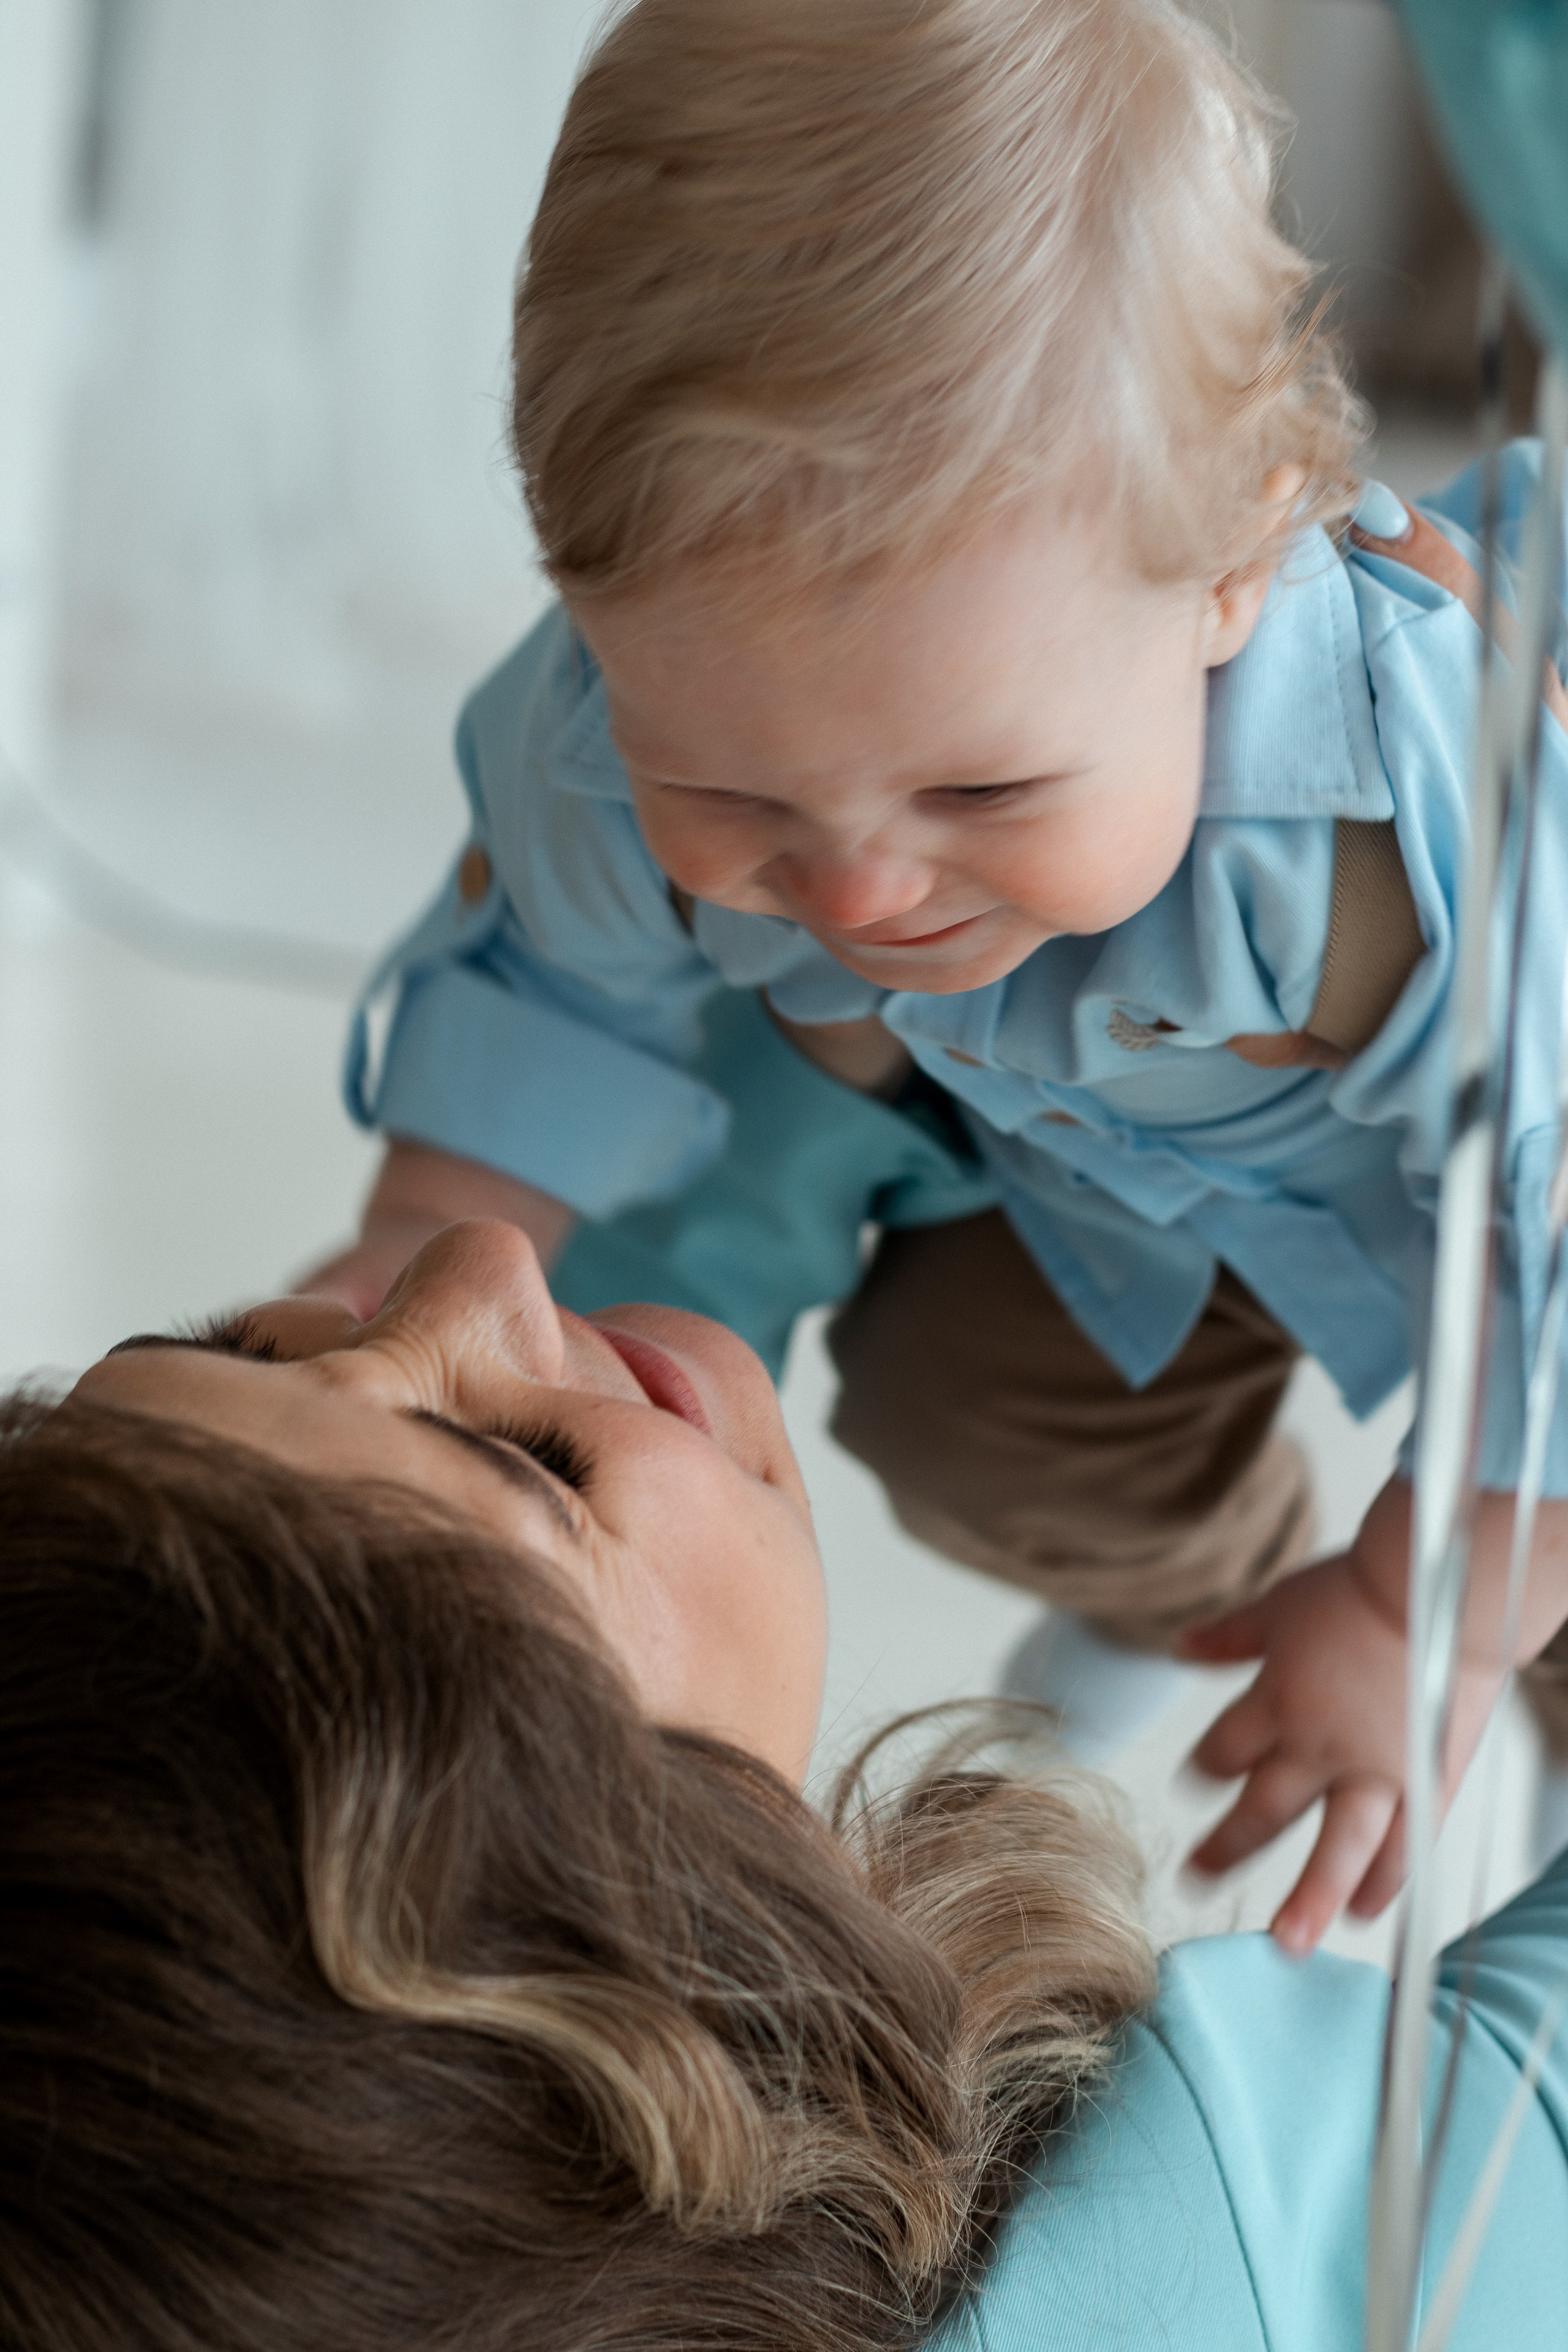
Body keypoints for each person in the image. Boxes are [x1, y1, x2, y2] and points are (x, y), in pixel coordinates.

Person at [306, 0, 1568, 1949]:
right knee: (958, 1422)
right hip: (1119, 1171)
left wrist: (1422, 1607)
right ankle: (1201, 1594)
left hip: (1516, 1180)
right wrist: (408, 1300)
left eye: (981, 783)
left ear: (1238, 567)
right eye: (734, 785)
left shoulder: (1401, 821)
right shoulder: (613, 731)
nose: (860, 879)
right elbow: (543, 997)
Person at [5, 1221, 1568, 2351]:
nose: (476, 1258)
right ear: (669, 1985)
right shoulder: (1221, 2248)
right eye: (531, 1469)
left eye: (241, 1346)